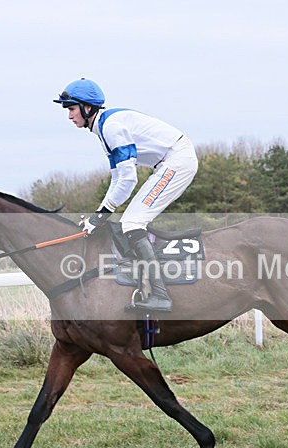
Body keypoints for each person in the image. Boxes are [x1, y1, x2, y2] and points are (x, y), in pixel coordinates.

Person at [54, 78, 198, 312]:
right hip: (169, 162)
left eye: (71, 109)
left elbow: (129, 180)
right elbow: (118, 178)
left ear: (87, 108)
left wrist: (100, 216)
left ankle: (160, 296)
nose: (69, 116)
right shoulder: (103, 129)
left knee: (132, 222)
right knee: (130, 222)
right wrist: (97, 216)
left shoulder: (111, 127)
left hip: (176, 161)